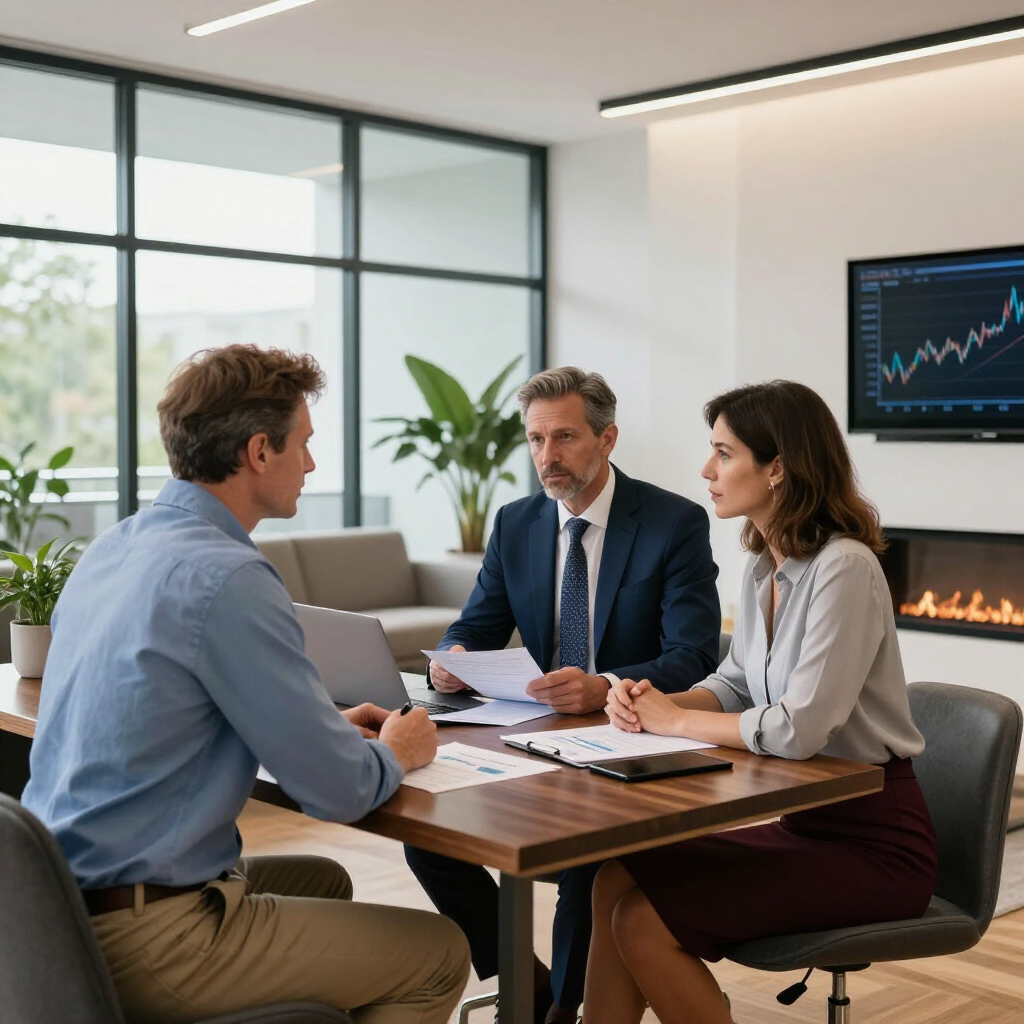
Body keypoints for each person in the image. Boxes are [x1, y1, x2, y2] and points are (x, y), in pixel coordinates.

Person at [22, 345, 470, 1024]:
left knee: (322, 879)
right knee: (437, 953)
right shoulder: (229, 576)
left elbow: (165, 711)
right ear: (260, 451)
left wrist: (321, 731)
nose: (312, 465)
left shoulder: (114, 547)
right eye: (305, 444)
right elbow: (339, 791)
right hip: (150, 939)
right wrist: (400, 750)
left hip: (53, 908)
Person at [587, 380, 938, 1024]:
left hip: (875, 843)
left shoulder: (846, 567)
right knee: (614, 875)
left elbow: (798, 729)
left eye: (723, 453)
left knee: (641, 920)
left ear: (777, 467)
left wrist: (678, 721)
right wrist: (654, 702)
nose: (706, 469)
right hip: (804, 821)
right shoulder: (763, 569)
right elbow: (738, 682)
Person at [405, 366, 722, 1024]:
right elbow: (475, 624)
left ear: (607, 439)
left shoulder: (673, 523)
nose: (547, 457)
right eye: (536, 440)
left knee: (585, 854)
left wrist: (602, 685)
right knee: (427, 837)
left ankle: (559, 1016)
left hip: (630, 740)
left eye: (566, 438)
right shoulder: (517, 522)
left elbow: (694, 656)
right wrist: (454, 657)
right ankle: (528, 989)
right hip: (528, 736)